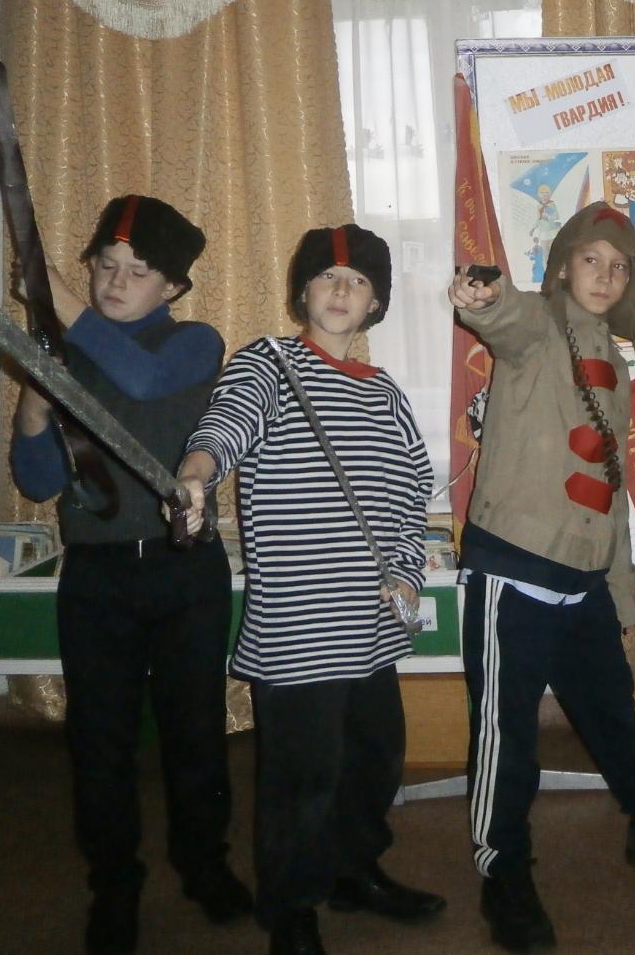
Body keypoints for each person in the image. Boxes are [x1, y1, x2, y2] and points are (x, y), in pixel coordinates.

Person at [448, 202, 635, 954]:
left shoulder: (614, 358)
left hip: (584, 578)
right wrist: (484, 298)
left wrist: (622, 591)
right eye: (591, 260)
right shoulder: (540, 324)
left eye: (620, 266)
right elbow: (505, 320)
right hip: (516, 569)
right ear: (564, 266)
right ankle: (503, 869)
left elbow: (611, 485)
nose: (605, 276)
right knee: (506, 733)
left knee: (611, 714)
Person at [176, 224, 445, 955]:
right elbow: (225, 426)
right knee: (301, 779)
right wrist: (197, 473)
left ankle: (354, 871)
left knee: (373, 761)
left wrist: (406, 572)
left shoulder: (384, 392)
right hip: (299, 625)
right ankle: (291, 909)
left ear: (375, 302)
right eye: (327, 277)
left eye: (357, 281)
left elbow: (410, 492)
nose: (341, 290)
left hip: (372, 624)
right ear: (303, 290)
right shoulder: (268, 362)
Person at [9, 194, 249, 955]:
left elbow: (143, 383)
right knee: (100, 741)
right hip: (96, 577)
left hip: (184, 572)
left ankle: (204, 866)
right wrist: (34, 403)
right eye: (104, 266)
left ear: (172, 287)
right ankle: (113, 884)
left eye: (137, 272)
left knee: (194, 733)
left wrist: (58, 304)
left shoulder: (194, 343)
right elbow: (38, 480)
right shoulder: (70, 351)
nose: (115, 282)